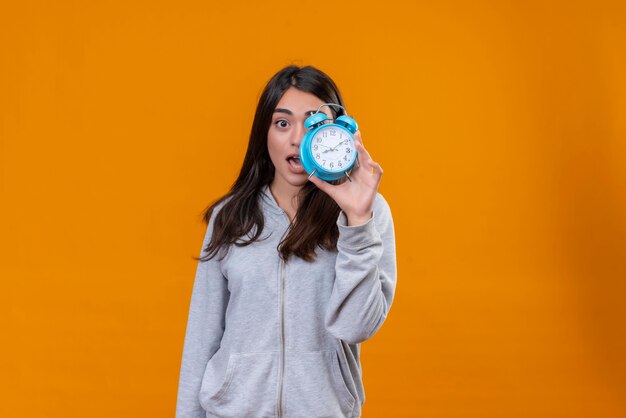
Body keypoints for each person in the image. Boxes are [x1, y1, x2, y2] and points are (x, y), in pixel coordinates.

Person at [175, 65, 397, 418]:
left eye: (312, 123)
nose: (297, 138)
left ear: (335, 132)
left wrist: (356, 222)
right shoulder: (230, 217)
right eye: (282, 123)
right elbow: (202, 337)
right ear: (264, 134)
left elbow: (356, 327)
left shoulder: (367, 212)